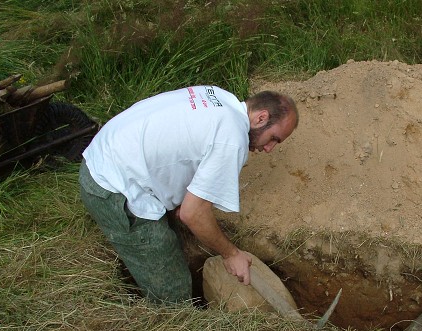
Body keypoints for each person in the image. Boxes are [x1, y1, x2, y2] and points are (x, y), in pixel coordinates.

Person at [79, 85, 298, 304]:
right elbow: (192, 214)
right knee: (173, 292)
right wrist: (231, 254)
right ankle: (167, 322)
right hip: (111, 187)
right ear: (261, 118)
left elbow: (187, 147)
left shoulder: (220, 97)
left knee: (174, 242)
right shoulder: (231, 139)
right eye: (274, 139)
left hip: (106, 153)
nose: (269, 149)